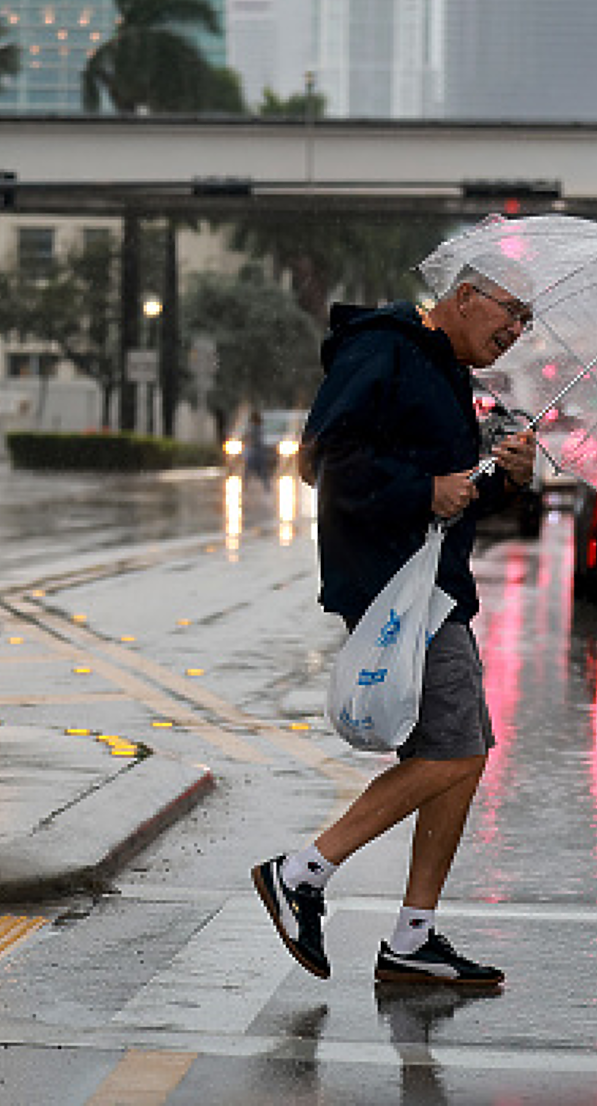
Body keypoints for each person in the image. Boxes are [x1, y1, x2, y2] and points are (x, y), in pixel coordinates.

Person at [253, 268, 536, 989]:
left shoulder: (444, 371)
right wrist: (424, 488)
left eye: (527, 322)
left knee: (463, 752)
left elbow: (451, 497)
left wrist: (504, 476)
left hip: (432, 586)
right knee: (448, 754)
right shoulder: (383, 347)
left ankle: (412, 938)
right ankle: (299, 874)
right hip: (393, 588)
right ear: (467, 293)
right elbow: (323, 459)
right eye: (512, 312)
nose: (516, 332)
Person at [244, 409, 273, 487]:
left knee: (250, 470)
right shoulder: (259, 428)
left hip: (255, 452)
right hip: (259, 452)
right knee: (261, 471)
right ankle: (267, 486)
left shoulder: (253, 428)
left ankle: (245, 485)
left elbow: (250, 439)